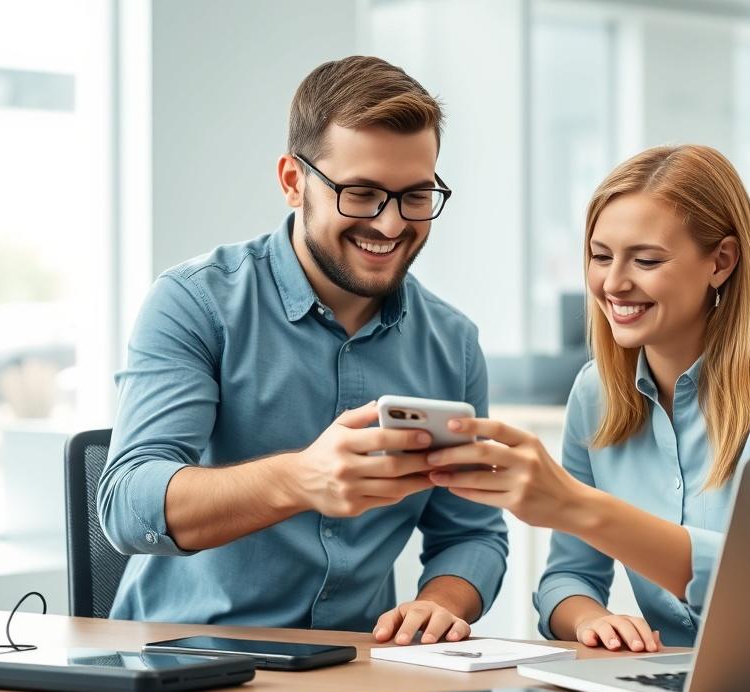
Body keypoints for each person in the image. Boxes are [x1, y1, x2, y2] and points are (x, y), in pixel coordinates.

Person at [97, 56, 507, 646]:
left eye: (416, 196)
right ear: (294, 181)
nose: (390, 225)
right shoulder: (194, 302)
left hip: (355, 669)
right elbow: (125, 501)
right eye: (361, 193)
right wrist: (301, 478)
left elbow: (472, 531)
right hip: (180, 661)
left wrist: (439, 603)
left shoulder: (453, 343)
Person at [423, 144, 750, 651]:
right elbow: (567, 580)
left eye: (646, 260)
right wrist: (590, 619)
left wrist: (573, 505)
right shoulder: (596, 393)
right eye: (600, 257)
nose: (614, 283)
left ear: (721, 260)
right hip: (662, 685)